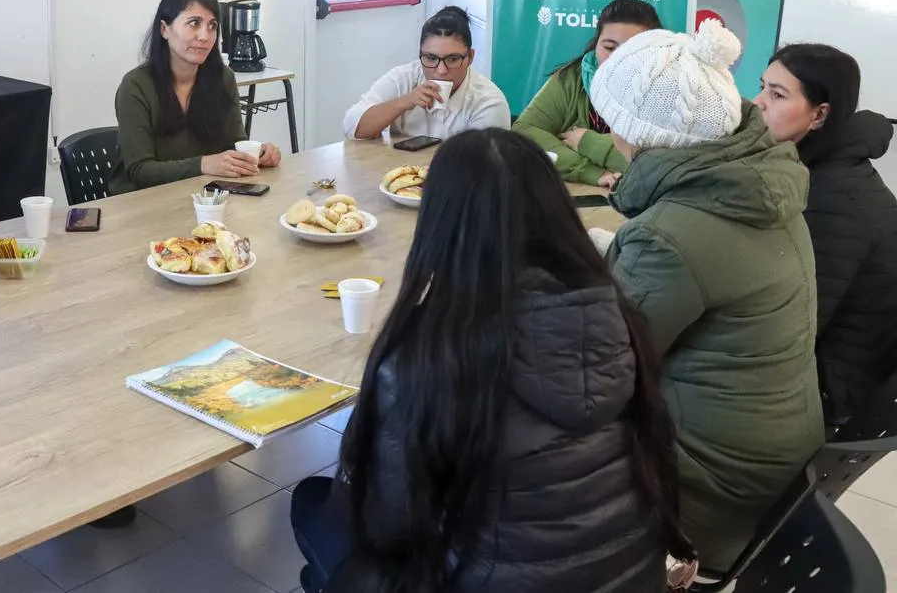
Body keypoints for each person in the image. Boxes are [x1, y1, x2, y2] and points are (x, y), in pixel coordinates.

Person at [290, 129, 696, 593]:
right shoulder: (617, 317)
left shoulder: (425, 357)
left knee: (310, 505)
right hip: (630, 582)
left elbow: (389, 529)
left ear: (439, 224)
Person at [590, 22, 823, 572]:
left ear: (638, 131)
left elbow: (597, 372)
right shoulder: (757, 181)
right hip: (778, 465)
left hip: (708, 490)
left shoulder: (672, 232)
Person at [755, 44, 897, 427]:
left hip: (823, 392)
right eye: (763, 87)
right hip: (824, 369)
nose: (757, 103)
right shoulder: (818, 169)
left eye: (777, 94)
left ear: (820, 115)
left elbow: (790, 328)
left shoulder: (829, 195)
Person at [107, 0, 280, 195]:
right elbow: (140, 171)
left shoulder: (223, 78)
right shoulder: (136, 85)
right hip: (140, 205)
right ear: (164, 30)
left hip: (200, 198)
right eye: (194, 23)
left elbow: (234, 144)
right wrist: (204, 164)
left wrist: (258, 153)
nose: (204, 36)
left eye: (212, 26)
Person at [514, 0, 663, 187]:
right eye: (609, 47)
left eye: (633, 50)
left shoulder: (669, 90)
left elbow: (661, 165)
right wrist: (589, 171)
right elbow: (524, 132)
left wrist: (587, 142)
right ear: (596, 43)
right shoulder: (572, 78)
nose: (617, 59)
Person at [343, 6, 509, 140]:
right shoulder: (405, 77)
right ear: (420, 54)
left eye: (452, 59)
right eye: (431, 58)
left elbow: (484, 166)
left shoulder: (488, 101)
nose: (441, 71)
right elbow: (352, 127)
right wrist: (402, 103)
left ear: (470, 57)